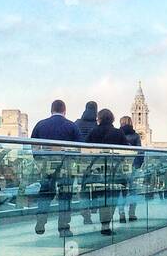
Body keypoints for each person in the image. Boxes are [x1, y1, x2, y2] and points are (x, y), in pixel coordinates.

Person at [30, 99, 81, 236]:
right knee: (65, 195)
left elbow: (33, 146)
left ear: (51, 110)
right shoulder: (72, 126)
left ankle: (41, 221)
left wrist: (40, 161)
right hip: (66, 167)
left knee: (45, 193)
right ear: (64, 111)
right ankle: (63, 227)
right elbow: (79, 149)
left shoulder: (40, 125)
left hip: (47, 165)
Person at [85, 108, 130, 236]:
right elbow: (126, 151)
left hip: (97, 172)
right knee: (112, 199)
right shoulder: (118, 133)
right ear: (112, 119)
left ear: (99, 119)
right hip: (114, 173)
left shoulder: (94, 132)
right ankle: (106, 224)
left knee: (101, 198)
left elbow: (85, 150)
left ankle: (102, 221)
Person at [117, 115, 144, 223]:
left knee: (121, 193)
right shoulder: (136, 135)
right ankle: (132, 214)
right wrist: (137, 166)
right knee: (133, 192)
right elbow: (140, 152)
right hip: (133, 168)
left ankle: (121, 214)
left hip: (120, 169)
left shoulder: (117, 134)